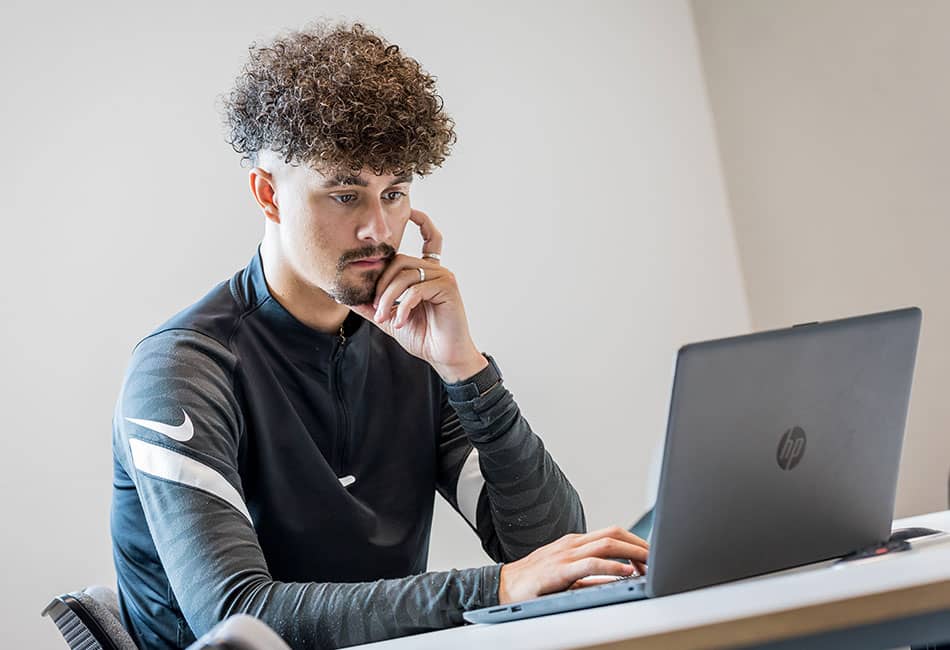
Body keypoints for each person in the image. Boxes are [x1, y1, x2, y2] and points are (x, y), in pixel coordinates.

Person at [111, 20, 649, 649]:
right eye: (346, 195)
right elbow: (238, 618)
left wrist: (465, 370)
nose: (378, 229)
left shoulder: (412, 348)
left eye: (393, 193)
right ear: (268, 194)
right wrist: (498, 589)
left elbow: (549, 550)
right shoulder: (181, 368)